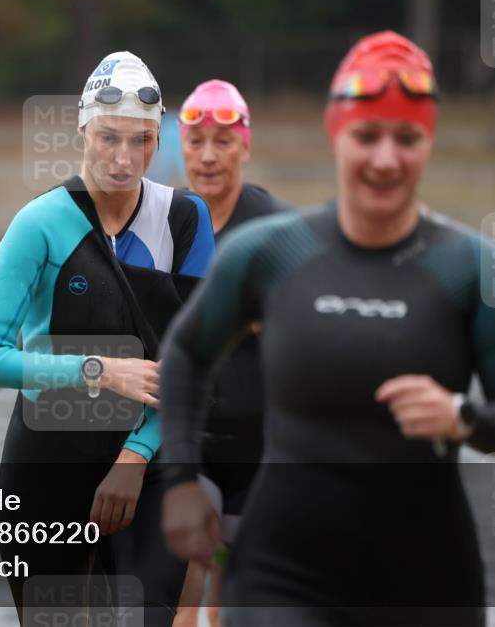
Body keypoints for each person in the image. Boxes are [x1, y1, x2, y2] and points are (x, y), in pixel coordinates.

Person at [160, 31, 495, 626]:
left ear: (430, 141)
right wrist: (182, 481)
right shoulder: (271, 255)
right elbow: (185, 355)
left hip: (427, 577)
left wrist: (464, 417)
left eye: (407, 138)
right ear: (336, 133)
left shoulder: (469, 269)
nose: (386, 158)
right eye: (367, 135)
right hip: (282, 574)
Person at [0, 50, 214, 624]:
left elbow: (197, 358)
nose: (125, 159)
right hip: (48, 465)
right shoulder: (39, 223)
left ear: (160, 140)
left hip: (148, 462)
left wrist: (136, 455)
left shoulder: (184, 220)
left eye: (142, 141)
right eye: (109, 138)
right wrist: (103, 370)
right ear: (82, 129)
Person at [169, 81, 291, 627]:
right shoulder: (163, 225)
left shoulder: (277, 231)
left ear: (246, 146)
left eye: (223, 141)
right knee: (180, 589)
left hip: (258, 446)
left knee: (231, 606)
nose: (209, 156)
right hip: (185, 445)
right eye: (196, 142)